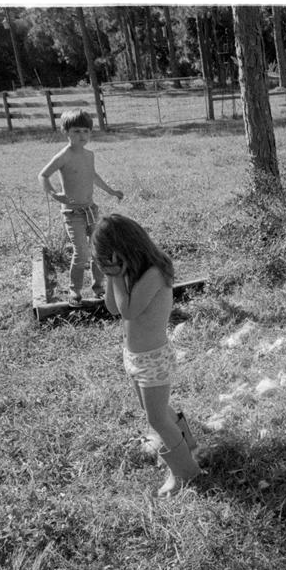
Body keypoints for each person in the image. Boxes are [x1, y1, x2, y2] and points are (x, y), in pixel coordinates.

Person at [93, 213, 202, 497]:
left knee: (157, 419)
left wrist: (117, 276)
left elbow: (129, 311)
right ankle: (187, 444)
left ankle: (185, 472)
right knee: (154, 411)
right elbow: (114, 308)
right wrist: (112, 276)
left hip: (153, 359)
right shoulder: (131, 271)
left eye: (107, 260)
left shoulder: (155, 272)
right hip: (136, 357)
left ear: (121, 251)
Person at [38, 108, 124, 307]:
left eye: (86, 131)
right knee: (82, 252)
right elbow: (43, 175)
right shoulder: (64, 156)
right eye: (76, 131)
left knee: (98, 249)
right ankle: (74, 290)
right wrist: (54, 194)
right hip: (73, 213)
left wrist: (111, 191)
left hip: (91, 209)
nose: (82, 135)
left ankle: (98, 287)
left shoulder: (89, 154)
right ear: (65, 132)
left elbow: (93, 176)